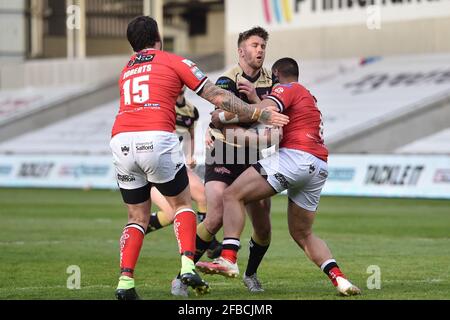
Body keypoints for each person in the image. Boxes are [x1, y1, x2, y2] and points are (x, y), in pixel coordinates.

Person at [110, 16, 288, 300]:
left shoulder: (126, 70)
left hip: (121, 140)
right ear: (158, 37)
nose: (260, 49)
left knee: (136, 217)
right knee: (183, 206)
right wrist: (259, 113)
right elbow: (216, 97)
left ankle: (125, 283)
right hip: (160, 138)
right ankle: (187, 267)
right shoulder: (172, 61)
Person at [196, 58, 361, 296]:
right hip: (318, 166)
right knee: (302, 233)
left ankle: (228, 258)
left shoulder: (287, 88)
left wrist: (219, 118)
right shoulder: (308, 96)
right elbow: (268, 114)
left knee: (232, 194)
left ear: (276, 75)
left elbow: (261, 112)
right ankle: (340, 280)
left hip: (294, 157)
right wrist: (255, 99)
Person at [193, 27, 276, 293]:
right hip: (224, 151)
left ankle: (250, 273)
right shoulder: (227, 80)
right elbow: (220, 118)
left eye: (262, 45)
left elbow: (272, 114)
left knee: (263, 227)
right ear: (241, 51)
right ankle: (184, 272)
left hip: (253, 155)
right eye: (254, 45)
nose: (260, 50)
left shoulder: (271, 81)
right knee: (215, 214)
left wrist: (249, 107)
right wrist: (258, 112)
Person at [144, 87, 222, 297]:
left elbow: (189, 135)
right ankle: (141, 226)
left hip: (176, 164)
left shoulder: (191, 111)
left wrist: (189, 155)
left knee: (196, 199)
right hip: (155, 164)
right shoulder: (161, 105)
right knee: (173, 213)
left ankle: (210, 243)